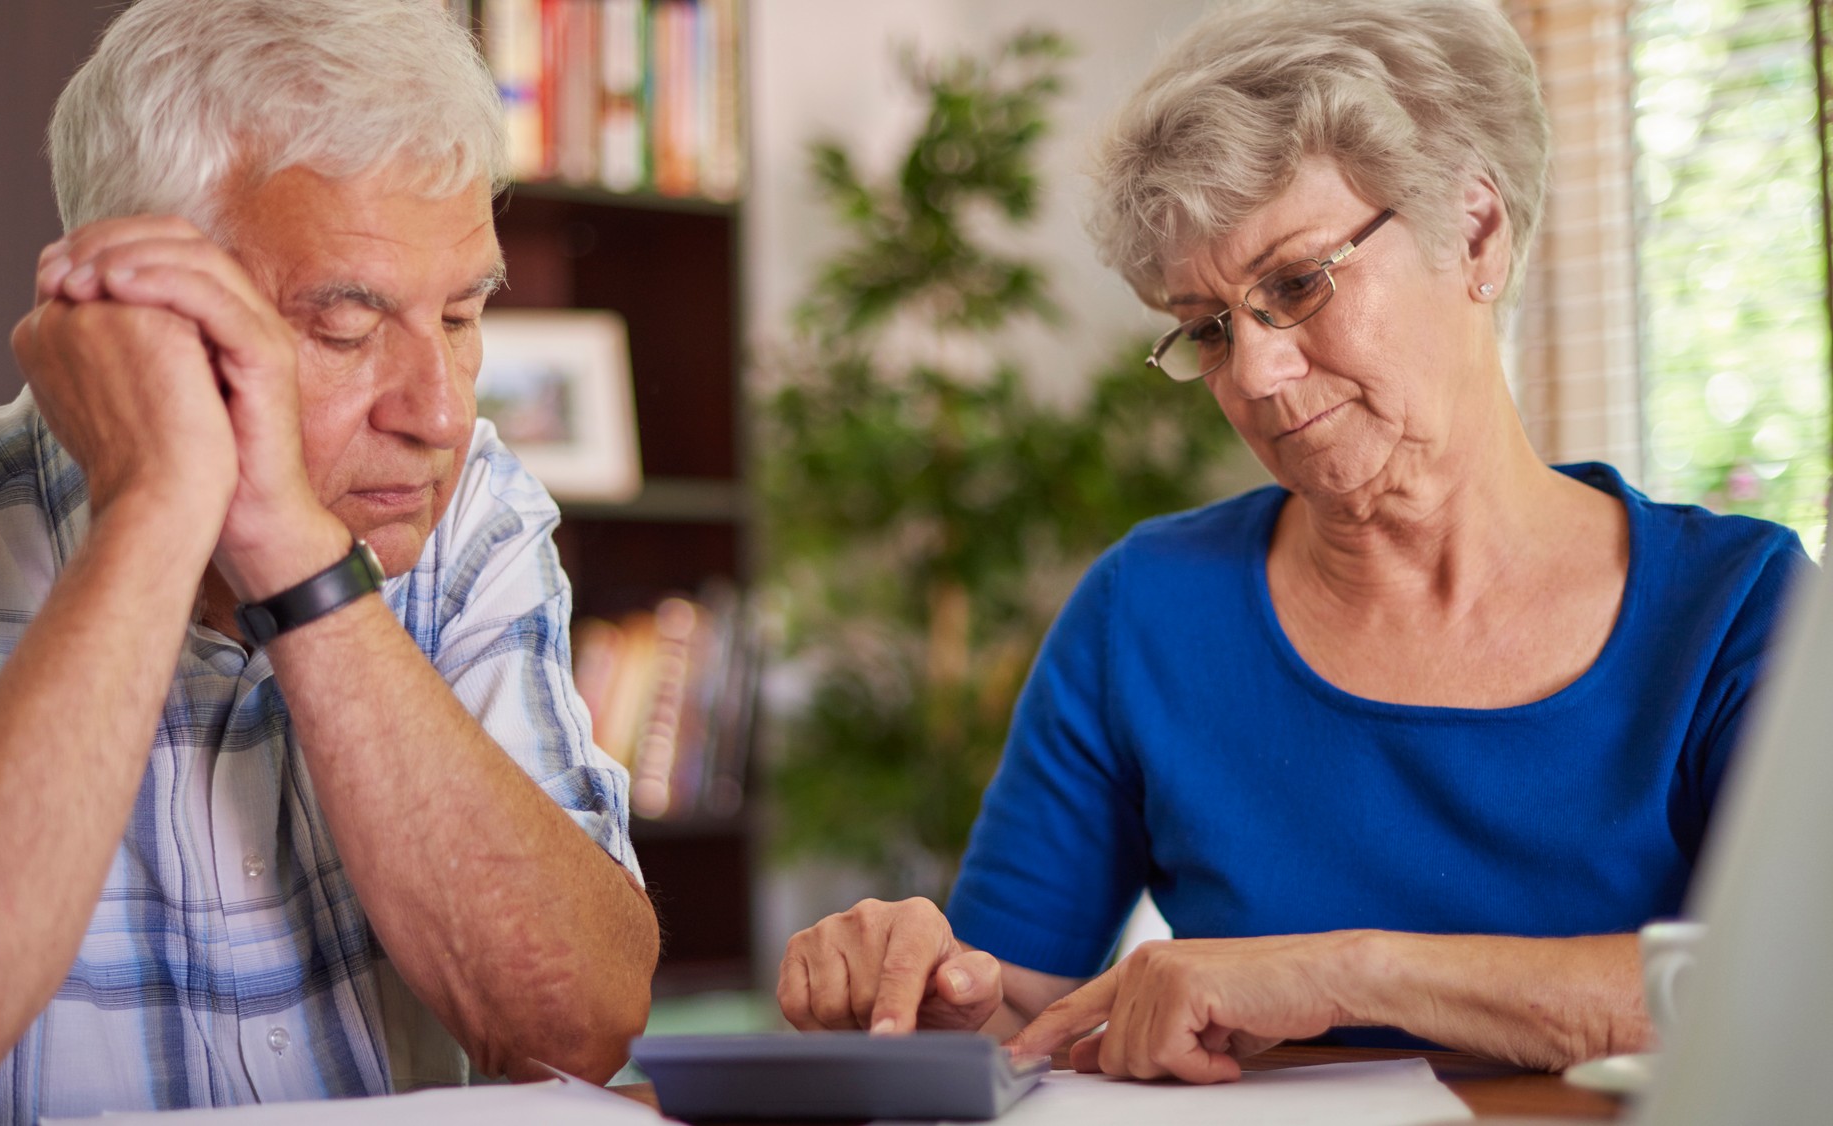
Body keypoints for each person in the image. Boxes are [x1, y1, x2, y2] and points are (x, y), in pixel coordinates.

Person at [777, 0, 1813, 1084]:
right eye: (1209, 327)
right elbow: (1015, 1013)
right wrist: (914, 991)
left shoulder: (1735, 607)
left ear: (1474, 232)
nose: (1256, 376)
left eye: (1295, 283)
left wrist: (1345, 975)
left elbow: (1797, 983)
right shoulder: (1147, 611)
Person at [0, 2, 656, 1122]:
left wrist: (293, 556)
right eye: (347, 328)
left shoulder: (466, 511)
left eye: (462, 315)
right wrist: (156, 511)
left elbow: (575, 1025)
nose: (439, 410)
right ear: (139, 314)